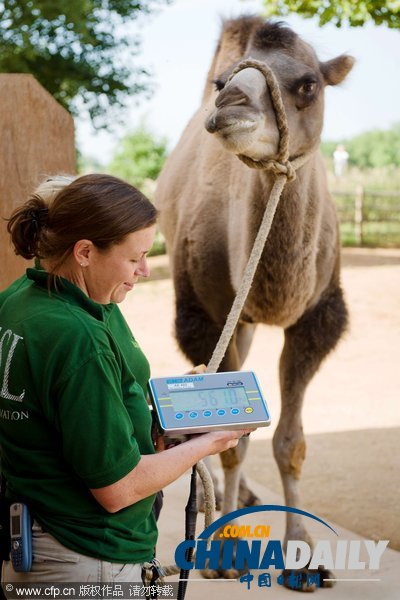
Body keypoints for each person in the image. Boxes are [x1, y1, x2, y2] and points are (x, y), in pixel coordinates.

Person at [0, 173, 252, 589]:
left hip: (44, 544)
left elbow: (72, 413)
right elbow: (118, 488)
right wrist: (209, 442)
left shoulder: (19, 300)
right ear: (84, 252)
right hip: (88, 559)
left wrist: (159, 419)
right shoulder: (78, 337)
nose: (145, 270)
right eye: (135, 257)